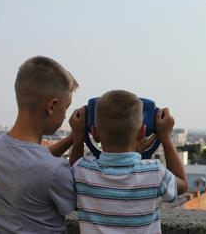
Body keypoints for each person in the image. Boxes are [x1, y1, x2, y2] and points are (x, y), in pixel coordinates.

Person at [0, 56, 85, 234]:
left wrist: (71, 138)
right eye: (66, 108)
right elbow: (81, 197)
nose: (65, 115)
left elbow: (32, 159)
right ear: (52, 106)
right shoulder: (54, 171)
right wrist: (80, 139)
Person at [71, 90, 188, 233]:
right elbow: (181, 184)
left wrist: (78, 138)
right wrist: (166, 138)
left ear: (94, 133)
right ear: (142, 132)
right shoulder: (154, 172)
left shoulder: (82, 170)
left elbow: (69, 185)